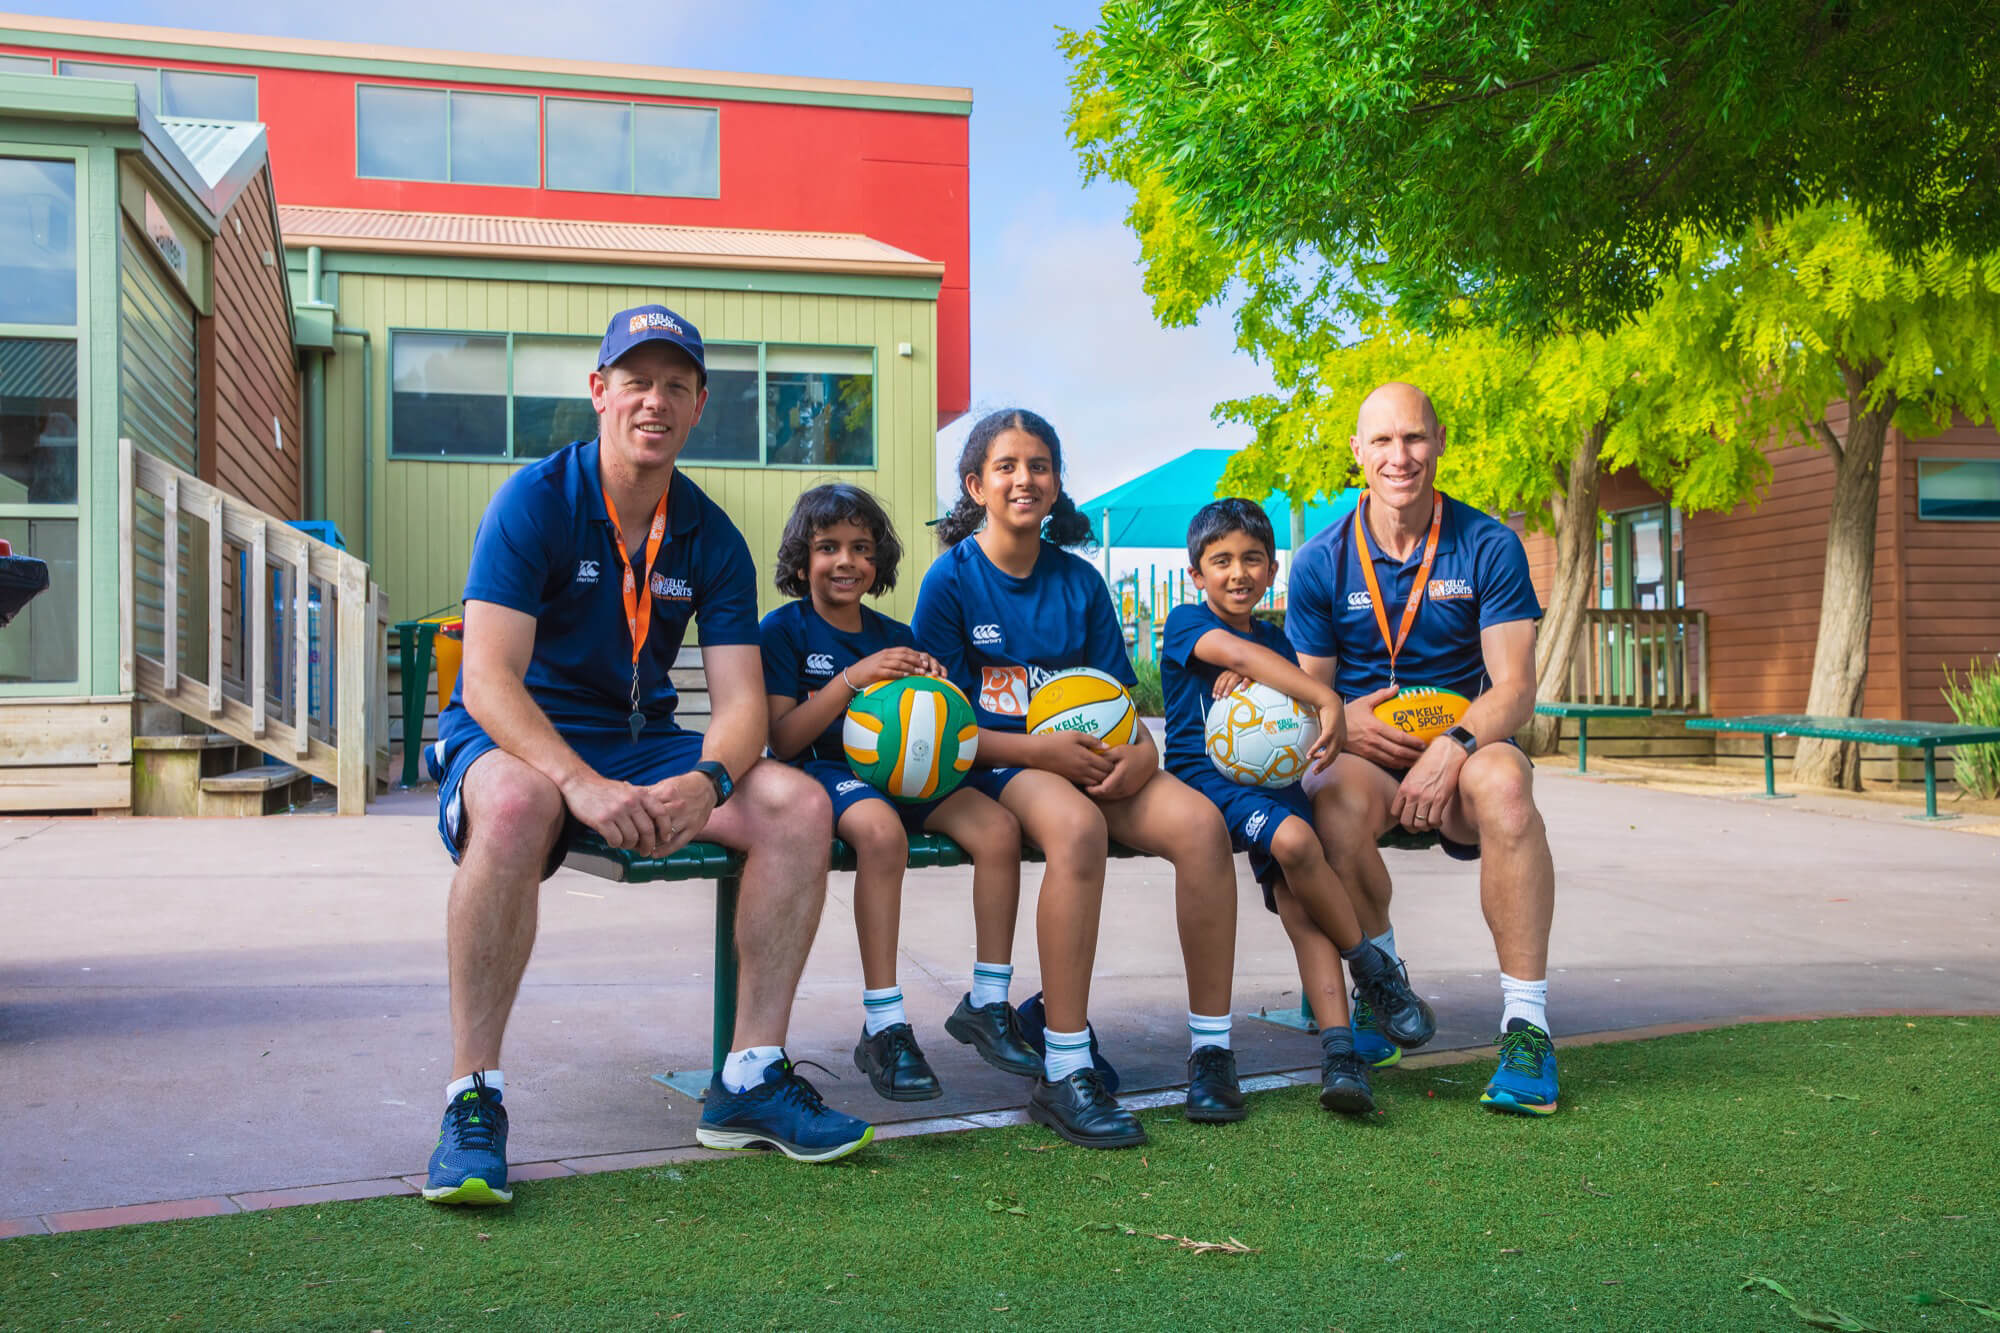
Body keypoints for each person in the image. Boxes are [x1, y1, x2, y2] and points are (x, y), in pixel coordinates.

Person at [422, 305, 872, 1206]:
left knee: (798, 805)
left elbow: (741, 706)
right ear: (600, 392)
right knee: (516, 803)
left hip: (639, 735)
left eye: (675, 385)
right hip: (519, 731)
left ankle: (749, 1078)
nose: (654, 401)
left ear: (699, 404)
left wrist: (708, 780)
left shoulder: (710, 534)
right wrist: (578, 784)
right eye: (636, 382)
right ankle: (473, 1097)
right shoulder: (535, 501)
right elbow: (488, 681)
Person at [912, 409, 1240, 1148]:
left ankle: (1212, 1051)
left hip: (1086, 760)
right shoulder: (950, 580)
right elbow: (942, 732)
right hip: (996, 765)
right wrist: (1040, 754)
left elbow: (1119, 703)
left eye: (1039, 465)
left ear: (1057, 483)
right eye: (1006, 466)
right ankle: (1064, 1067)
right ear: (976, 485)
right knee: (1077, 826)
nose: (1024, 479)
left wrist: (1143, 756)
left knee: (1200, 826)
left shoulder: (1081, 582)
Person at [1287, 381, 1559, 1116]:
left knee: (1507, 785)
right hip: (1369, 758)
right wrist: (1343, 719)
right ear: (1357, 452)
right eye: (1381, 440)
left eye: (1412, 437)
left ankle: (1527, 1028)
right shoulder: (1320, 560)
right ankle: (1382, 987)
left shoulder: (1488, 544)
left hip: (1465, 750)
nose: (1398, 456)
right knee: (1328, 795)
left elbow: (1516, 689)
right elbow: (1311, 698)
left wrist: (1453, 744)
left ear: (1439, 441)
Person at [759, 483, 1037, 1103]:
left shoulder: (897, 633)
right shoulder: (782, 630)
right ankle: (884, 1024)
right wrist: (852, 679)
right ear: (801, 561)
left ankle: (988, 1002)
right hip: (821, 771)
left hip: (904, 775)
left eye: (862, 548)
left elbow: (932, 725)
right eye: (828, 547)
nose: (846, 561)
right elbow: (782, 739)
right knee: (882, 833)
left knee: (999, 829)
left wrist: (939, 691)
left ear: (878, 561)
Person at [1160, 499, 1437, 1114]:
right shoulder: (1185, 621)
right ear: (1196, 574)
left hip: (1273, 783)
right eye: (1221, 561)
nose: (1238, 573)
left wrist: (1280, 687)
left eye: (1252, 559)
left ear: (1272, 569)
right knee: (1294, 841)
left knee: (1302, 902)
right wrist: (1324, 698)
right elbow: (1239, 658)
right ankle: (1371, 966)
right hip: (1208, 781)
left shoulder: (1275, 640)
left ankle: (1341, 1056)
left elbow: (1281, 692)